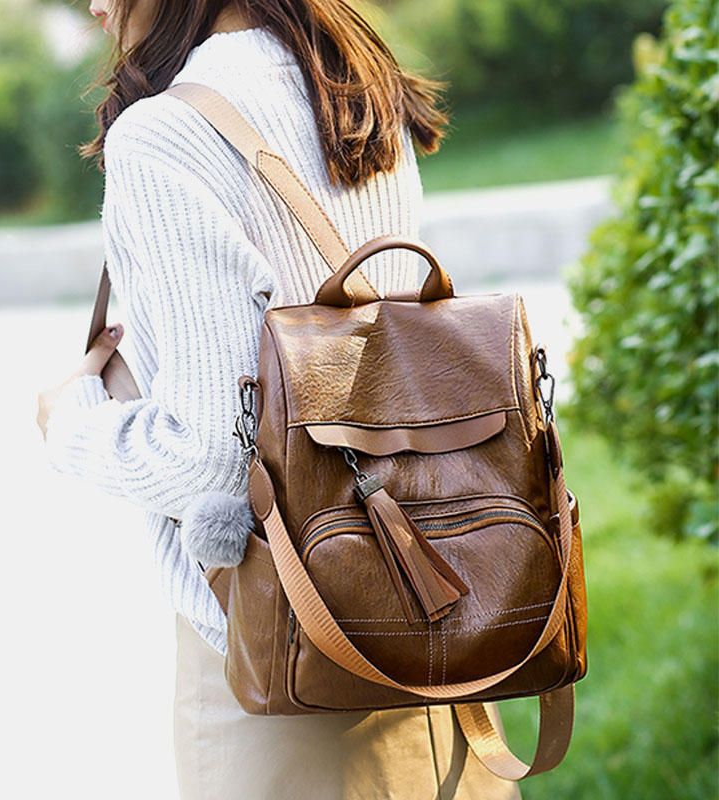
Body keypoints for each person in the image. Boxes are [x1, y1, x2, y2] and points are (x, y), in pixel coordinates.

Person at [36, 2, 522, 798]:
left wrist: (71, 424)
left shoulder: (166, 133)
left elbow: (212, 460)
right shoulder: (352, 86)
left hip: (286, 655)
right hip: (434, 603)